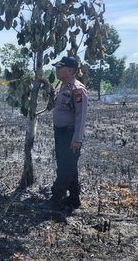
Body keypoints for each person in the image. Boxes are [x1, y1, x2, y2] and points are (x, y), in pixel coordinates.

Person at [49, 56, 88, 211]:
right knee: (68, 166)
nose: (57, 70)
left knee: (66, 168)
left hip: (70, 134)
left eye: (60, 68)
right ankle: (74, 198)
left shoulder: (78, 89)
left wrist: (77, 139)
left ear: (70, 71)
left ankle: (56, 196)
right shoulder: (63, 87)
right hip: (60, 133)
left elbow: (81, 116)